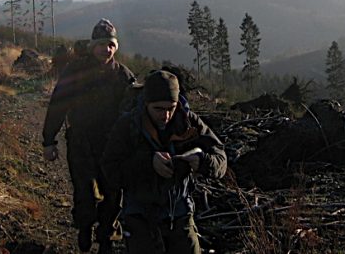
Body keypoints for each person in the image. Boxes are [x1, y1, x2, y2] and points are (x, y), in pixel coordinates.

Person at [103, 70, 227, 254]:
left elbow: (220, 158)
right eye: (159, 109)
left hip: (181, 214)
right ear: (146, 104)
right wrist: (148, 164)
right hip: (140, 216)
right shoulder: (128, 125)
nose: (166, 115)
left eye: (171, 108)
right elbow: (110, 170)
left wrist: (203, 161)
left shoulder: (189, 122)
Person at [41, 18, 137, 253]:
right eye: (103, 44)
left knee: (113, 194)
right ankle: (84, 228)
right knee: (84, 192)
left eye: (112, 44)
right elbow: (58, 105)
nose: (107, 49)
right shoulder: (75, 72)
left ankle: (106, 237)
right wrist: (48, 140)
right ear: (93, 46)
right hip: (80, 142)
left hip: (112, 145)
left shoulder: (124, 76)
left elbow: (135, 111)